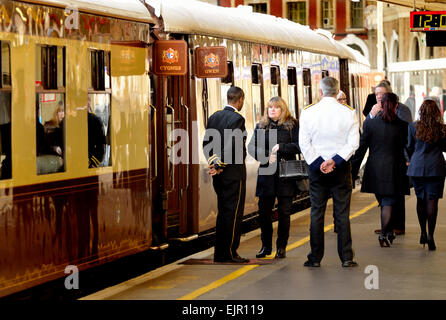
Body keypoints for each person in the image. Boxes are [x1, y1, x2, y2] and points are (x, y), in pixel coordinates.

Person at [299, 77, 359, 268]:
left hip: (317, 171)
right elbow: (353, 143)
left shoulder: (308, 112)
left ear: (320, 91)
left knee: (317, 212)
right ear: (338, 91)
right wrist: (335, 161)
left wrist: (320, 163)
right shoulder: (349, 113)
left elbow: (304, 143)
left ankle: (315, 258)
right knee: (342, 213)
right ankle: (347, 257)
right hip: (341, 170)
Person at [352, 93, 409, 247]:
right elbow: (408, 148)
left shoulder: (370, 125)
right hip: (395, 169)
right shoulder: (403, 126)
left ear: (381, 105)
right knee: (388, 201)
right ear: (396, 105)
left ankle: (387, 231)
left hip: (375, 170)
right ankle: (384, 233)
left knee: (384, 201)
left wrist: (353, 170)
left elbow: (362, 148)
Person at [248, 96, 300, 259]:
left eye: (276, 107)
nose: (272, 110)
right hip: (266, 174)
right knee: (264, 213)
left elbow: (300, 145)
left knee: (284, 212)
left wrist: (281, 147)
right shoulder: (262, 126)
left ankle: (281, 247)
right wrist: (265, 156)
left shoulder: (292, 125)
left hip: (286, 174)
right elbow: (251, 147)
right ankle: (266, 246)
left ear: (283, 109)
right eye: (270, 107)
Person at [203, 86, 249, 263]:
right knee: (233, 213)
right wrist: (221, 165)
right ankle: (228, 253)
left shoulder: (214, 117)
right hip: (233, 174)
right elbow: (234, 146)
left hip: (219, 175)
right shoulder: (237, 119)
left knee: (223, 212)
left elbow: (207, 144)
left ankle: (220, 253)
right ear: (240, 100)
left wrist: (214, 164)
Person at [367, 81, 412, 236]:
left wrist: (408, 159)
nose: (378, 96)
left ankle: (395, 226)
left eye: (381, 93)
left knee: (393, 198)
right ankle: (387, 226)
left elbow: (407, 138)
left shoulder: (402, 112)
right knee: (387, 198)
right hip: (387, 163)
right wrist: (372, 114)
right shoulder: (374, 110)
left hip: (394, 162)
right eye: (376, 93)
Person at [406, 99, 446, 251]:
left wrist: (410, 160)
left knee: (421, 199)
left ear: (421, 111)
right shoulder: (442, 128)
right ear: (437, 112)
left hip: (417, 168)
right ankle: (431, 235)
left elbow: (409, 147)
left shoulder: (413, 127)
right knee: (432, 201)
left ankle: (422, 232)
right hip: (436, 168)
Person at [87, 96, 106, 168]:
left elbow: (101, 147)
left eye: (88, 100)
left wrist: (93, 163)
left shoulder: (95, 120)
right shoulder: (71, 120)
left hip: (90, 164)